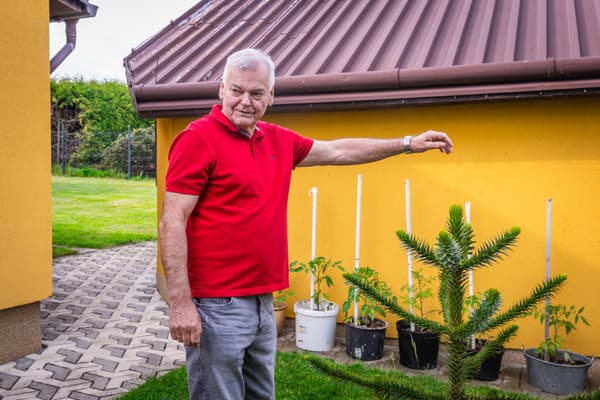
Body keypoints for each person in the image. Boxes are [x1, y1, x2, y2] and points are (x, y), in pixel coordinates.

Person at [160, 48, 453, 400]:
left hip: (262, 300)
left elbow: (339, 151)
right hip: (216, 304)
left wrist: (407, 144)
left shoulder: (278, 140)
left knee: (260, 394)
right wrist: (180, 303)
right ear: (221, 89)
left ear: (271, 96)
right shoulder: (198, 138)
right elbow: (172, 220)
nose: (245, 101)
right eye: (236, 90)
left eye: (256, 93)